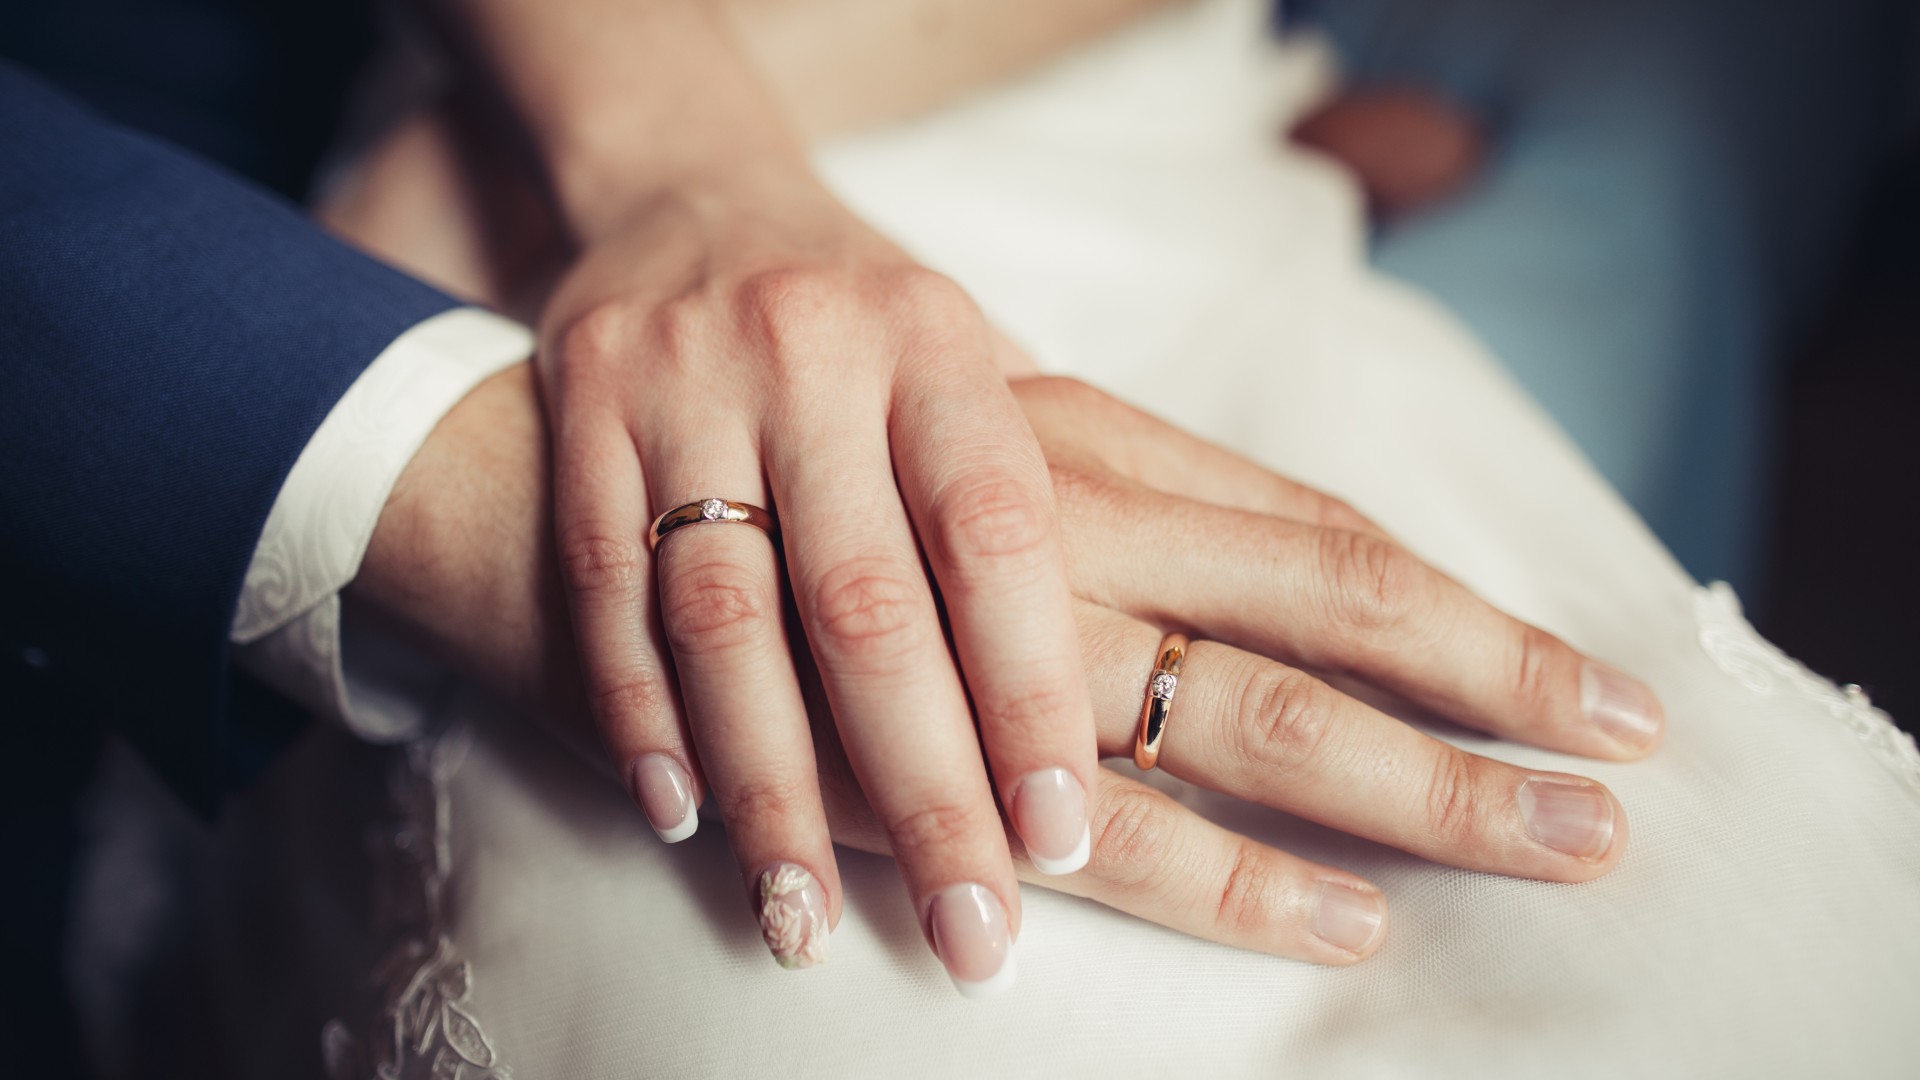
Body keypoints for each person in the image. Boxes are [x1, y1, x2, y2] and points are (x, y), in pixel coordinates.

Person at [49, 0, 1920, 1076]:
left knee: (1748, 939)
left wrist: (633, 152)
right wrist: (647, 161)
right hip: (542, 223)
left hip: (1048, 117)